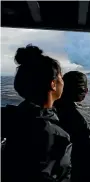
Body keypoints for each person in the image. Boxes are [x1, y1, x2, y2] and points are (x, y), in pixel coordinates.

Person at [1, 45, 71, 182]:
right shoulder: (56, 136)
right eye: (61, 77)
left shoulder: (10, 117)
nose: (63, 82)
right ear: (53, 84)